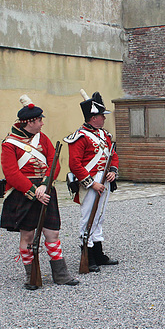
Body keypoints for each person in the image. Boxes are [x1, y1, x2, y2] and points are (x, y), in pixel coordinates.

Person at [0, 95, 79, 289]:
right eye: (39, 121)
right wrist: (34, 191)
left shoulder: (41, 138)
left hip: (45, 189)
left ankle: (61, 274)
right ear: (30, 122)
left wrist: (46, 184)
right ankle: (31, 275)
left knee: (52, 233)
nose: (42, 124)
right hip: (24, 193)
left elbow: (53, 162)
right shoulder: (9, 144)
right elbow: (11, 173)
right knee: (27, 236)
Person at [64, 90, 119, 272]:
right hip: (89, 182)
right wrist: (91, 183)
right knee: (88, 217)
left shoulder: (105, 135)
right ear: (93, 117)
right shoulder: (80, 136)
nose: (104, 119)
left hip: (104, 179)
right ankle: (87, 256)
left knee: (99, 216)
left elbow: (113, 156)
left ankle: (98, 253)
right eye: (101, 116)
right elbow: (75, 164)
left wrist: (112, 170)